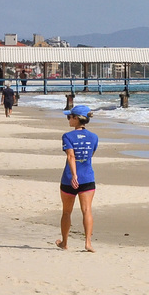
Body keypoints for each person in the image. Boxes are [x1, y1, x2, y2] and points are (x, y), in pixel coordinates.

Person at [58, 105, 98, 252]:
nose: (68, 119)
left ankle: (64, 242)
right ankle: (88, 242)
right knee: (87, 210)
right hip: (87, 177)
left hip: (69, 178)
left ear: (76, 118)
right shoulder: (94, 137)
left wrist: (74, 175)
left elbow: (71, 156)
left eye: (70, 117)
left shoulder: (67, 136)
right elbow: (89, 156)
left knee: (67, 211)